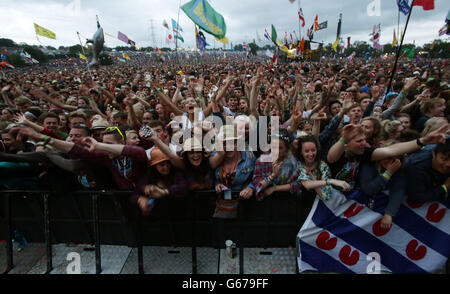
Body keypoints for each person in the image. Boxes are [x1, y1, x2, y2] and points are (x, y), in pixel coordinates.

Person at [327, 122, 448, 193]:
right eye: (359, 141)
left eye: (364, 140)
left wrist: (423, 141)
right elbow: (332, 158)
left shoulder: (364, 153)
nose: (364, 143)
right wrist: (343, 139)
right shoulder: (341, 151)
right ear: (348, 143)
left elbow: (391, 150)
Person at [359, 140, 407, 229]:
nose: (390, 162)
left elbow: (398, 190)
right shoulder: (370, 163)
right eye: (388, 157)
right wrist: (388, 173)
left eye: (394, 160)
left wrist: (389, 214)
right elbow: (368, 189)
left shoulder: (398, 169)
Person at [213, 125, 256, 219]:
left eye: (232, 142)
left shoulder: (249, 157)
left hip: (244, 210)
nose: (229, 147)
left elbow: (258, 176)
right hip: (219, 211)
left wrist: (250, 188)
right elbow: (206, 176)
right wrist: (217, 183)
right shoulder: (214, 157)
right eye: (225, 143)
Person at [136, 147, 189, 215]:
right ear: (154, 166)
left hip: (178, 215)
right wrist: (140, 199)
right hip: (156, 218)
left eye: (168, 163)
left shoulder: (176, 173)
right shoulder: (148, 176)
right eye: (162, 165)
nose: (166, 167)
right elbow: (135, 193)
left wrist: (164, 191)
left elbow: (183, 186)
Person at [251, 130, 301, 201]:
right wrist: (272, 176)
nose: (276, 151)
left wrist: (275, 188)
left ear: (286, 148)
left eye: (280, 148)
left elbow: (297, 184)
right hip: (266, 201)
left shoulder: (292, 162)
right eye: (274, 147)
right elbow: (257, 186)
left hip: (287, 199)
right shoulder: (261, 161)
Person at [296, 135, 350, 201]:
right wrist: (330, 181)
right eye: (307, 151)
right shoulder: (297, 165)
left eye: (313, 150)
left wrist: (312, 177)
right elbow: (307, 184)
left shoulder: (322, 165)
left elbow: (325, 196)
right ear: (301, 152)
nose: (311, 154)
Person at [404, 138, 450, 204]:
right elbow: (417, 197)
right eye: (444, 159)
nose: (448, 164)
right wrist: (444, 187)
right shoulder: (416, 167)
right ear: (434, 154)